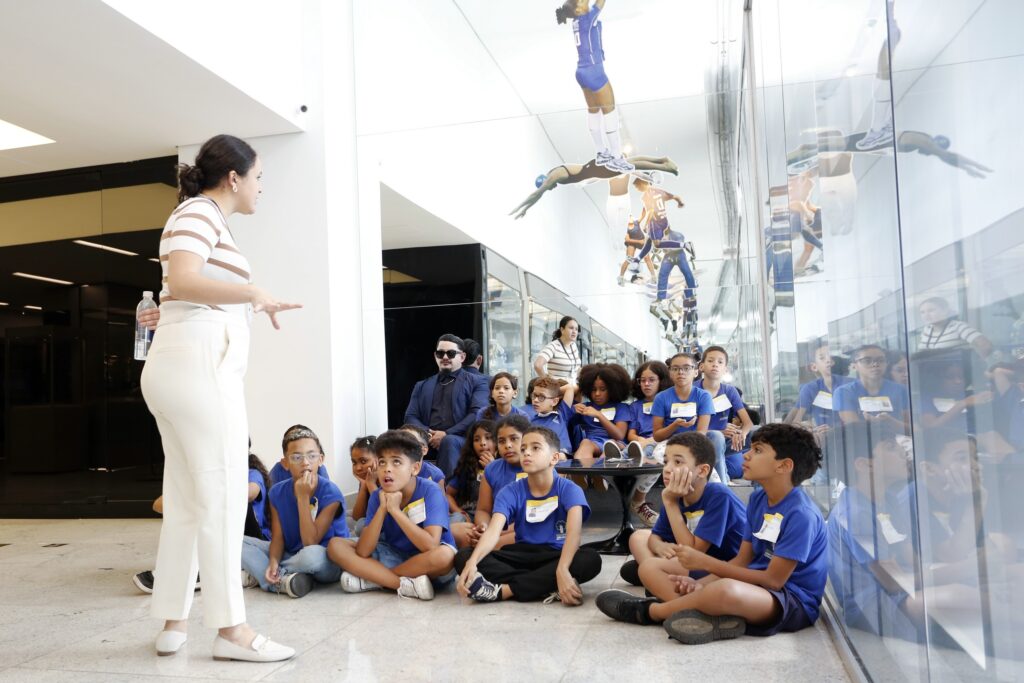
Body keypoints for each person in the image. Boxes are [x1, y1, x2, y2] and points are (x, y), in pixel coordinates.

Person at [140, 134, 298, 662]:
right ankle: (232, 632)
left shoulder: (198, 216)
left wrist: (243, 304)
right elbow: (184, 279)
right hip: (200, 367)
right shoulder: (199, 214)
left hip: (183, 362)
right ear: (234, 177)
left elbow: (180, 289)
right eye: (258, 179)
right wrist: (254, 293)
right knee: (226, 495)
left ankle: (173, 621)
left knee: (187, 497)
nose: (260, 189)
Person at [596, 424, 828, 645]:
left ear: (784, 466)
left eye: (757, 450)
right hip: (751, 581)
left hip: (790, 599)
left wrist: (704, 566)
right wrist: (699, 584)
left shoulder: (801, 514)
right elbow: (742, 560)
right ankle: (706, 616)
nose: (746, 455)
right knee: (659, 569)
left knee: (725, 589)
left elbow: (773, 581)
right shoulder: (758, 499)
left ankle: (651, 612)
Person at [455, 425, 602, 604]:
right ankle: (546, 585)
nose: (526, 453)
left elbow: (574, 534)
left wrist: (562, 568)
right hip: (521, 554)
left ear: (554, 458)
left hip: (556, 555)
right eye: (523, 448)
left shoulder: (570, 489)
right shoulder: (510, 491)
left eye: (535, 448)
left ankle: (506, 591)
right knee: (464, 557)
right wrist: (472, 562)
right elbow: (493, 532)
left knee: (590, 559)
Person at [328, 430, 457, 601]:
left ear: (415, 468)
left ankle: (374, 580)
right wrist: (382, 508)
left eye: (396, 462)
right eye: (382, 463)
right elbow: (364, 551)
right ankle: (400, 584)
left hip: (427, 563)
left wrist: (395, 511)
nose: (387, 469)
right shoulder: (378, 495)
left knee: (445, 556)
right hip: (394, 555)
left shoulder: (430, 490)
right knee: (336, 545)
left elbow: (431, 546)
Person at [619, 433, 747, 592]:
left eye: (677, 462)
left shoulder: (718, 495)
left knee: (649, 566)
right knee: (637, 538)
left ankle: (660, 581)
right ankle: (659, 579)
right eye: (665, 462)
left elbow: (694, 552)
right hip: (692, 559)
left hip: (723, 566)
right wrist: (658, 546)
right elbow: (655, 536)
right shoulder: (675, 494)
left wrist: (670, 503)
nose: (667, 469)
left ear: (702, 470)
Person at [134, 447, 271, 595]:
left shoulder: (251, 473)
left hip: (251, 541)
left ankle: (198, 571)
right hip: (221, 540)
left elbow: (250, 493)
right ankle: (190, 568)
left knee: (223, 502)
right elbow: (158, 505)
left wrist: (202, 498)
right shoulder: (207, 476)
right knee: (191, 508)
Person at [240, 425, 347, 599]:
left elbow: (310, 542)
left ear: (321, 459)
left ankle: (269, 576)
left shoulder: (331, 492)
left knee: (310, 558)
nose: (305, 462)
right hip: (291, 552)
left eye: (311, 456)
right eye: (297, 457)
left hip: (326, 558)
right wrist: (273, 559)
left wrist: (303, 498)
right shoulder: (277, 492)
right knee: (235, 542)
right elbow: (278, 538)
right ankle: (287, 579)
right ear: (285, 463)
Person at [554, 0, 632, 174]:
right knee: (610, 111)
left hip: (581, 71)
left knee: (593, 110)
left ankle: (600, 152)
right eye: (582, 1)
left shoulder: (576, 21)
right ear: (579, 9)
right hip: (594, 70)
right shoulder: (587, 17)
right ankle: (616, 157)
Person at [402, 334, 489, 478]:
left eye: (451, 353)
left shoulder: (478, 382)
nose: (445, 357)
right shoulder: (422, 385)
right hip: (427, 440)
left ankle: (446, 494)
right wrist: (428, 434)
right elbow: (410, 416)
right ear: (435, 356)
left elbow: (476, 414)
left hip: (461, 440)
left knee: (449, 441)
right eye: (440, 353)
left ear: (462, 357)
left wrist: (446, 434)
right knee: (399, 438)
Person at [510, 156, 679, 219]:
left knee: (630, 165)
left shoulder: (554, 176)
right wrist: (525, 209)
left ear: (545, 181)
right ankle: (662, 160)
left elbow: (537, 194)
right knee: (630, 163)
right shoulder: (555, 176)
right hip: (594, 170)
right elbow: (540, 193)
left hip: (595, 169)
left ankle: (666, 167)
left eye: (549, 187)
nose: (551, 188)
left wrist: (522, 207)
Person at [472, 415, 532, 552]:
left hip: (527, 529)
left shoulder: (538, 466)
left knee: (532, 532)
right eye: (501, 441)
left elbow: (537, 516)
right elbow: (483, 510)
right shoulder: (492, 469)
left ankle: (487, 549)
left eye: (514, 439)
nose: (508, 445)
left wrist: (494, 534)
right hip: (497, 528)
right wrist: (484, 527)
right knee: (461, 533)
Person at [624, 360, 672, 526]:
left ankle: (638, 501)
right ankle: (617, 458)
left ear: (661, 380)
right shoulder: (635, 406)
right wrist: (642, 441)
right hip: (641, 444)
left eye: (651, 380)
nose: (646, 384)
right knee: (641, 448)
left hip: (663, 443)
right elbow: (631, 434)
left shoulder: (668, 402)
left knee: (656, 452)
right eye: (642, 380)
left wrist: (651, 441)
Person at [696, 346, 754, 484]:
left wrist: (742, 434)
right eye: (711, 361)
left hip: (727, 439)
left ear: (725, 369)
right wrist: (719, 430)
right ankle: (723, 484)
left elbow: (748, 423)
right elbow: (687, 428)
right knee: (717, 438)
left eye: (720, 362)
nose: (715, 364)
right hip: (701, 438)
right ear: (701, 366)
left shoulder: (729, 390)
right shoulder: (693, 390)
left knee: (761, 435)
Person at [835, 344, 910, 430]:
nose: (875, 364)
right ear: (854, 366)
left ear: (887, 363)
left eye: (880, 360)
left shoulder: (900, 389)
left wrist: (891, 422)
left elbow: (912, 428)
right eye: (867, 361)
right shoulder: (844, 392)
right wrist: (878, 425)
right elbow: (855, 430)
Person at [447, 420, 496, 547]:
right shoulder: (467, 466)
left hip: (492, 519)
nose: (483, 443)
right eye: (477, 439)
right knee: (454, 521)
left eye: (488, 438)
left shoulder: (504, 467)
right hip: (467, 516)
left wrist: (492, 469)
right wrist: (460, 512)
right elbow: (448, 494)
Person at [573, 362, 632, 463]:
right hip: (593, 442)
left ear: (613, 389)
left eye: (603, 389)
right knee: (585, 443)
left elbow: (619, 435)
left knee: (610, 447)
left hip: (617, 443)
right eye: (593, 389)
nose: (597, 394)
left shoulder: (621, 408)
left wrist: (599, 415)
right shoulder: (585, 407)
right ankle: (581, 477)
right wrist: (571, 410)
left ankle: (600, 476)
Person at [789, 343, 853, 431]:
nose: (828, 360)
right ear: (814, 367)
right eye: (822, 358)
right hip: (823, 436)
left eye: (831, 356)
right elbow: (795, 422)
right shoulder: (810, 388)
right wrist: (810, 428)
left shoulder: (850, 384)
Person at [651, 353, 713, 442]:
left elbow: (701, 432)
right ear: (670, 373)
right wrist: (675, 425)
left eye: (686, 368)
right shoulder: (661, 397)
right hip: (669, 443)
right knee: (650, 449)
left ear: (696, 372)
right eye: (675, 369)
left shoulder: (704, 396)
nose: (680, 372)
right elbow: (657, 436)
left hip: (695, 442)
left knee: (716, 436)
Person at [917, 296, 994, 359]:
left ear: (945, 310)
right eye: (922, 312)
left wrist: (976, 363)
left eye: (931, 310)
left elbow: (985, 344)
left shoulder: (958, 326)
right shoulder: (926, 330)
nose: (926, 315)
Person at [523, 377, 577, 455]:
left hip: (562, 458)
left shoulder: (561, 414)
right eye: (534, 395)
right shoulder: (532, 421)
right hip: (542, 457)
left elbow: (569, 388)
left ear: (554, 401)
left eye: (542, 397)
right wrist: (548, 394)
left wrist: (552, 392)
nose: (535, 400)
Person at [397, 424, 449, 489]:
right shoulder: (389, 470)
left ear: (424, 450)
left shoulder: (434, 475)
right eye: (400, 442)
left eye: (412, 443)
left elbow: (441, 498)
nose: (405, 447)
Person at [533, 316, 583, 383]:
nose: (574, 331)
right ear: (562, 330)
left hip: (573, 386)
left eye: (576, 329)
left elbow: (576, 368)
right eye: (571, 328)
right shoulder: (553, 346)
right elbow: (538, 365)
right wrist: (548, 383)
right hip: (559, 390)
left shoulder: (573, 346)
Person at [347, 435, 378, 536]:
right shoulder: (366, 478)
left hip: (383, 528)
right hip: (367, 518)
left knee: (360, 526)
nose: (358, 468)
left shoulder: (387, 480)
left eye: (363, 461)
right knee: (342, 516)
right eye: (354, 463)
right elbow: (357, 516)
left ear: (378, 459)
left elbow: (384, 517)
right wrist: (364, 485)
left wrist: (371, 485)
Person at [618, 215, 657, 286]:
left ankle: (653, 277)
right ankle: (621, 277)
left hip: (638, 241)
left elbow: (643, 214)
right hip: (635, 242)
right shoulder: (627, 227)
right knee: (631, 258)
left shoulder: (636, 222)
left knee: (646, 258)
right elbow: (627, 239)